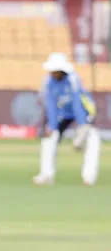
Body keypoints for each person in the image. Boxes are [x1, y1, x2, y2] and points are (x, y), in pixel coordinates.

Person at [33, 52, 100, 187]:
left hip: (84, 111)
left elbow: (77, 101)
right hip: (63, 113)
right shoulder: (48, 82)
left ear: (62, 70)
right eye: (51, 71)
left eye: (55, 71)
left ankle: (89, 177)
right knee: (48, 140)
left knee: (93, 140)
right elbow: (51, 104)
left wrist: (82, 126)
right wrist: (52, 126)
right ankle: (46, 175)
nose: (53, 74)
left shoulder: (73, 79)